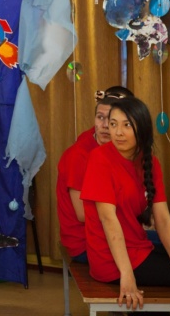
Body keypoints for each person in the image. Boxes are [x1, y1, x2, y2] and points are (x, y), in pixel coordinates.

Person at [81, 97, 170, 314]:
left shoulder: (150, 162)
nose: (117, 132)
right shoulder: (99, 159)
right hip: (110, 260)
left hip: (138, 249)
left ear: (142, 128)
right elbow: (108, 220)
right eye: (113, 124)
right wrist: (127, 275)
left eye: (127, 125)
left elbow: (162, 220)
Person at [57, 86, 133, 262]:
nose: (105, 126)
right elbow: (82, 215)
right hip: (87, 242)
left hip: (112, 228)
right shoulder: (79, 155)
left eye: (112, 120)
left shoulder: (117, 146)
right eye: (100, 117)